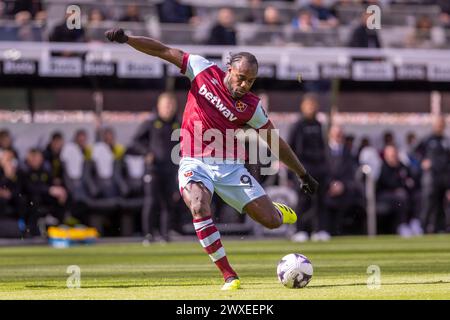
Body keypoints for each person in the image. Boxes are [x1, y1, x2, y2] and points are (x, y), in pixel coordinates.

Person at [105, 28, 319, 290]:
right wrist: (128, 39)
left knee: (271, 222)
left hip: (230, 167)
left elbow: (274, 140)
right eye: (241, 78)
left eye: (250, 81)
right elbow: (162, 50)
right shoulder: (201, 69)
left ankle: (277, 212)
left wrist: (302, 174)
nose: (244, 85)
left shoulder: (251, 107)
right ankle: (229, 275)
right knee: (198, 204)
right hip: (194, 160)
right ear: (229, 69)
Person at [127, 92, 181, 241]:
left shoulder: (179, 123)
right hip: (153, 170)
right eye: (166, 105)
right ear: (159, 106)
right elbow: (134, 143)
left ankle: (165, 234)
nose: (168, 109)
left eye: (171, 105)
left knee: (168, 203)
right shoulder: (150, 123)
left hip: (171, 170)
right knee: (151, 202)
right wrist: (147, 153)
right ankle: (148, 234)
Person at [288, 94, 329, 242]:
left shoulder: (319, 125)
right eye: (308, 105)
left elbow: (323, 148)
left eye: (313, 105)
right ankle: (300, 230)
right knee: (303, 201)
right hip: (303, 169)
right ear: (303, 107)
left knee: (320, 201)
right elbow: (289, 150)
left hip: (319, 168)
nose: (311, 108)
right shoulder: (298, 125)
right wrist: (291, 173)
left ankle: (320, 230)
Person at [416, 116, 450, 233]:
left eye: (442, 124)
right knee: (428, 203)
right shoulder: (427, 140)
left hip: (444, 177)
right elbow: (415, 152)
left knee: (442, 204)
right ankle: (423, 228)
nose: (440, 127)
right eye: (438, 124)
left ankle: (439, 228)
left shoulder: (446, 141)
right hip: (431, 177)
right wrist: (422, 161)